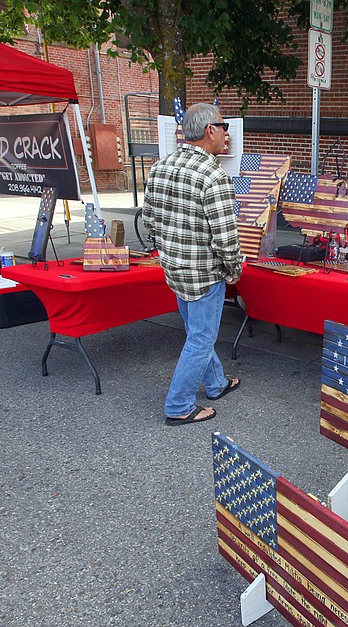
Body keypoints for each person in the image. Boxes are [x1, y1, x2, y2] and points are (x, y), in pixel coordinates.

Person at [141, 103, 242, 426]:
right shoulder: (214, 176)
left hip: (174, 267)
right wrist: (234, 270)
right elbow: (225, 238)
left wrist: (166, 251)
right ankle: (179, 405)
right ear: (210, 130)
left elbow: (150, 220)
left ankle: (215, 383)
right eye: (224, 126)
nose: (227, 133)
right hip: (203, 273)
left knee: (197, 332)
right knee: (200, 337)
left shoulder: (160, 167)